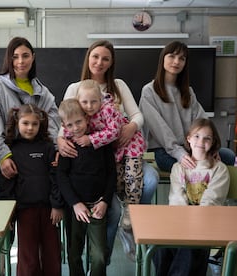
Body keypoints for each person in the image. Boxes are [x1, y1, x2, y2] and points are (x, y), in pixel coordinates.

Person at [57, 39, 158, 261]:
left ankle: (132, 224)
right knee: (110, 209)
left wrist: (131, 127)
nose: (99, 62)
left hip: (122, 151)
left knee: (150, 181)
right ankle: (105, 253)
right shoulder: (75, 88)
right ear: (88, 58)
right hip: (97, 160)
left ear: (111, 63)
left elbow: (137, 115)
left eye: (105, 58)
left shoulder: (118, 86)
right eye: (95, 57)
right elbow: (64, 123)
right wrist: (60, 141)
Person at [0, 36, 60, 198]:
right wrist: (3, 157)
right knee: (8, 214)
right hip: (8, 162)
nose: (20, 61)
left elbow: (53, 125)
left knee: (36, 210)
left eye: (25, 55)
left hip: (37, 163)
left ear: (33, 57)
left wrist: (56, 150)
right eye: (15, 57)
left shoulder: (43, 93)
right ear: (9, 59)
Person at [139, 40, 235, 173]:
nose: (176, 61)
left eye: (182, 58)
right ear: (163, 59)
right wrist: (180, 154)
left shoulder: (188, 92)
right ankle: (192, 193)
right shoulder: (149, 91)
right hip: (165, 151)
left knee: (227, 156)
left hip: (192, 147)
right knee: (195, 167)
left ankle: (210, 193)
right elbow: (160, 130)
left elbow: (202, 121)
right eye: (172, 56)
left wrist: (211, 148)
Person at [153, 118, 230, 276]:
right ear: (188, 138)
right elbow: (176, 199)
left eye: (207, 138)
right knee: (160, 245)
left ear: (213, 141)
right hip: (180, 222)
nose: (201, 141)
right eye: (196, 136)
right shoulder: (178, 168)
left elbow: (211, 201)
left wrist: (191, 227)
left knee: (189, 248)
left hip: (207, 224)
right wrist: (184, 225)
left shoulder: (219, 169)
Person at [68, 79, 144, 230]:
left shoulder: (108, 109)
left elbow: (114, 132)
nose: (89, 106)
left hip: (130, 145)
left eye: (94, 102)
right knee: (118, 179)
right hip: (114, 150)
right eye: (85, 102)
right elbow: (71, 126)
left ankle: (131, 209)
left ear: (100, 99)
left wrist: (90, 139)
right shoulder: (82, 113)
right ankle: (124, 204)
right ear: (78, 101)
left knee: (132, 176)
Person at [0, 104, 63, 276]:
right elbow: (7, 185)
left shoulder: (48, 147)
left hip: (50, 210)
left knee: (52, 254)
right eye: (25, 123)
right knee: (29, 257)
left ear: (40, 125)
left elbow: (56, 178)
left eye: (34, 124)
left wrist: (57, 205)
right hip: (24, 211)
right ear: (17, 123)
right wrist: (9, 215)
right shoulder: (10, 150)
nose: (30, 128)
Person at [57, 99, 116, 276]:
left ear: (86, 118)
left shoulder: (101, 143)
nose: (75, 128)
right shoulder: (67, 147)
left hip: (97, 206)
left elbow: (111, 174)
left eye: (79, 122)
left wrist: (105, 201)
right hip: (75, 209)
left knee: (99, 256)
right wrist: (75, 204)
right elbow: (61, 176)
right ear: (63, 125)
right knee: (74, 253)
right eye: (70, 124)